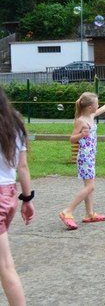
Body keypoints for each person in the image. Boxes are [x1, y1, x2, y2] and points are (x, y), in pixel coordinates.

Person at [59, 92, 105, 230]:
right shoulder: (81, 121)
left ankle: (89, 214)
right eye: (97, 103)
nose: (99, 105)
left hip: (90, 156)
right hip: (84, 157)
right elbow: (72, 139)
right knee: (90, 187)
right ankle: (67, 211)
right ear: (90, 107)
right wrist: (80, 135)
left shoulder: (91, 115)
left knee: (89, 186)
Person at [0, 87, 35, 305]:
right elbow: (22, 167)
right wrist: (27, 199)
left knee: (5, 266)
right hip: (9, 195)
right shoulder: (15, 125)